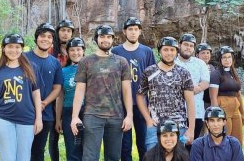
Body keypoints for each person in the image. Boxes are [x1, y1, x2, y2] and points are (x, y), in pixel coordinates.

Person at [70, 25, 133, 161]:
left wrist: (129, 115)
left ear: (113, 39)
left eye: (109, 37)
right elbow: (79, 90)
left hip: (116, 117)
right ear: (96, 39)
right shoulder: (85, 62)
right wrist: (75, 117)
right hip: (92, 116)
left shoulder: (121, 62)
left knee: (113, 157)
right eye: (102, 36)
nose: (106, 40)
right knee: (90, 157)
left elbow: (127, 90)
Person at [0, 34, 43, 161]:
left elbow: (36, 94)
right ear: (3, 48)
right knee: (8, 157)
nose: (14, 50)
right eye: (10, 46)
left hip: (27, 119)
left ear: (22, 49)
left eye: (17, 47)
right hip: (3, 119)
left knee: (24, 157)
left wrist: (39, 117)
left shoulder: (31, 68)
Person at [137, 36, 196, 151]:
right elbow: (140, 96)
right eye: (165, 49)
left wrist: (191, 129)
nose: (169, 53)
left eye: (172, 50)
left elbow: (190, 102)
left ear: (176, 52)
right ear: (159, 51)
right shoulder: (149, 71)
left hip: (179, 126)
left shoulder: (184, 73)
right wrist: (148, 119)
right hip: (155, 126)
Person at [112, 17, 157, 161]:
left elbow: (153, 78)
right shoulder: (115, 51)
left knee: (144, 142)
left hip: (142, 103)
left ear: (140, 32)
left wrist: (151, 103)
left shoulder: (147, 51)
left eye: (136, 29)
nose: (133, 32)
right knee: (124, 145)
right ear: (125, 31)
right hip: (121, 104)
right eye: (130, 29)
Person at [27, 23, 63, 161]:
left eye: (49, 37)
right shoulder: (24, 58)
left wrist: (44, 103)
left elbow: (57, 88)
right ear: (36, 38)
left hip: (46, 114)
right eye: (43, 36)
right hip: (24, 112)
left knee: (38, 151)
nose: (46, 39)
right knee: (22, 149)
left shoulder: (55, 63)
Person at [175, 33, 210, 143]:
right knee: (175, 146)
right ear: (179, 45)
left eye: (191, 46)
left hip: (196, 111)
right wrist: (185, 90)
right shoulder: (173, 62)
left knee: (192, 144)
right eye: (186, 44)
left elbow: (206, 82)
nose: (188, 48)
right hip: (176, 112)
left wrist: (195, 89)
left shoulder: (200, 64)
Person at [55, 37, 86, 161]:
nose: (75, 53)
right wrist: (58, 119)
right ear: (67, 52)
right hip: (68, 111)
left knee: (88, 149)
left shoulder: (91, 68)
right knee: (72, 149)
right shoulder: (63, 71)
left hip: (89, 111)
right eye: (72, 50)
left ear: (83, 51)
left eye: (78, 49)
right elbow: (60, 96)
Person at [209, 46, 244, 144]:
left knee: (238, 139)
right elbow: (213, 96)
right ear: (220, 59)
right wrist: (216, 116)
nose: (227, 59)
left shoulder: (234, 73)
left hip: (235, 109)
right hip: (223, 108)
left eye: (229, 57)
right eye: (224, 57)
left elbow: (238, 94)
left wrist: (242, 113)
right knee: (224, 138)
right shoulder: (216, 74)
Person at [51, 19, 75, 161]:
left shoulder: (75, 50)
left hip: (69, 98)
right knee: (53, 135)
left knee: (71, 135)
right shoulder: (51, 51)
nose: (65, 34)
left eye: (68, 31)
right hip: (52, 96)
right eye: (63, 30)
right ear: (57, 32)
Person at [197, 43, 215, 115]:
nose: (206, 55)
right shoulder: (195, 67)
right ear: (197, 55)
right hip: (199, 101)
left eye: (208, 53)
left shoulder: (212, 67)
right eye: (203, 53)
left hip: (211, 101)